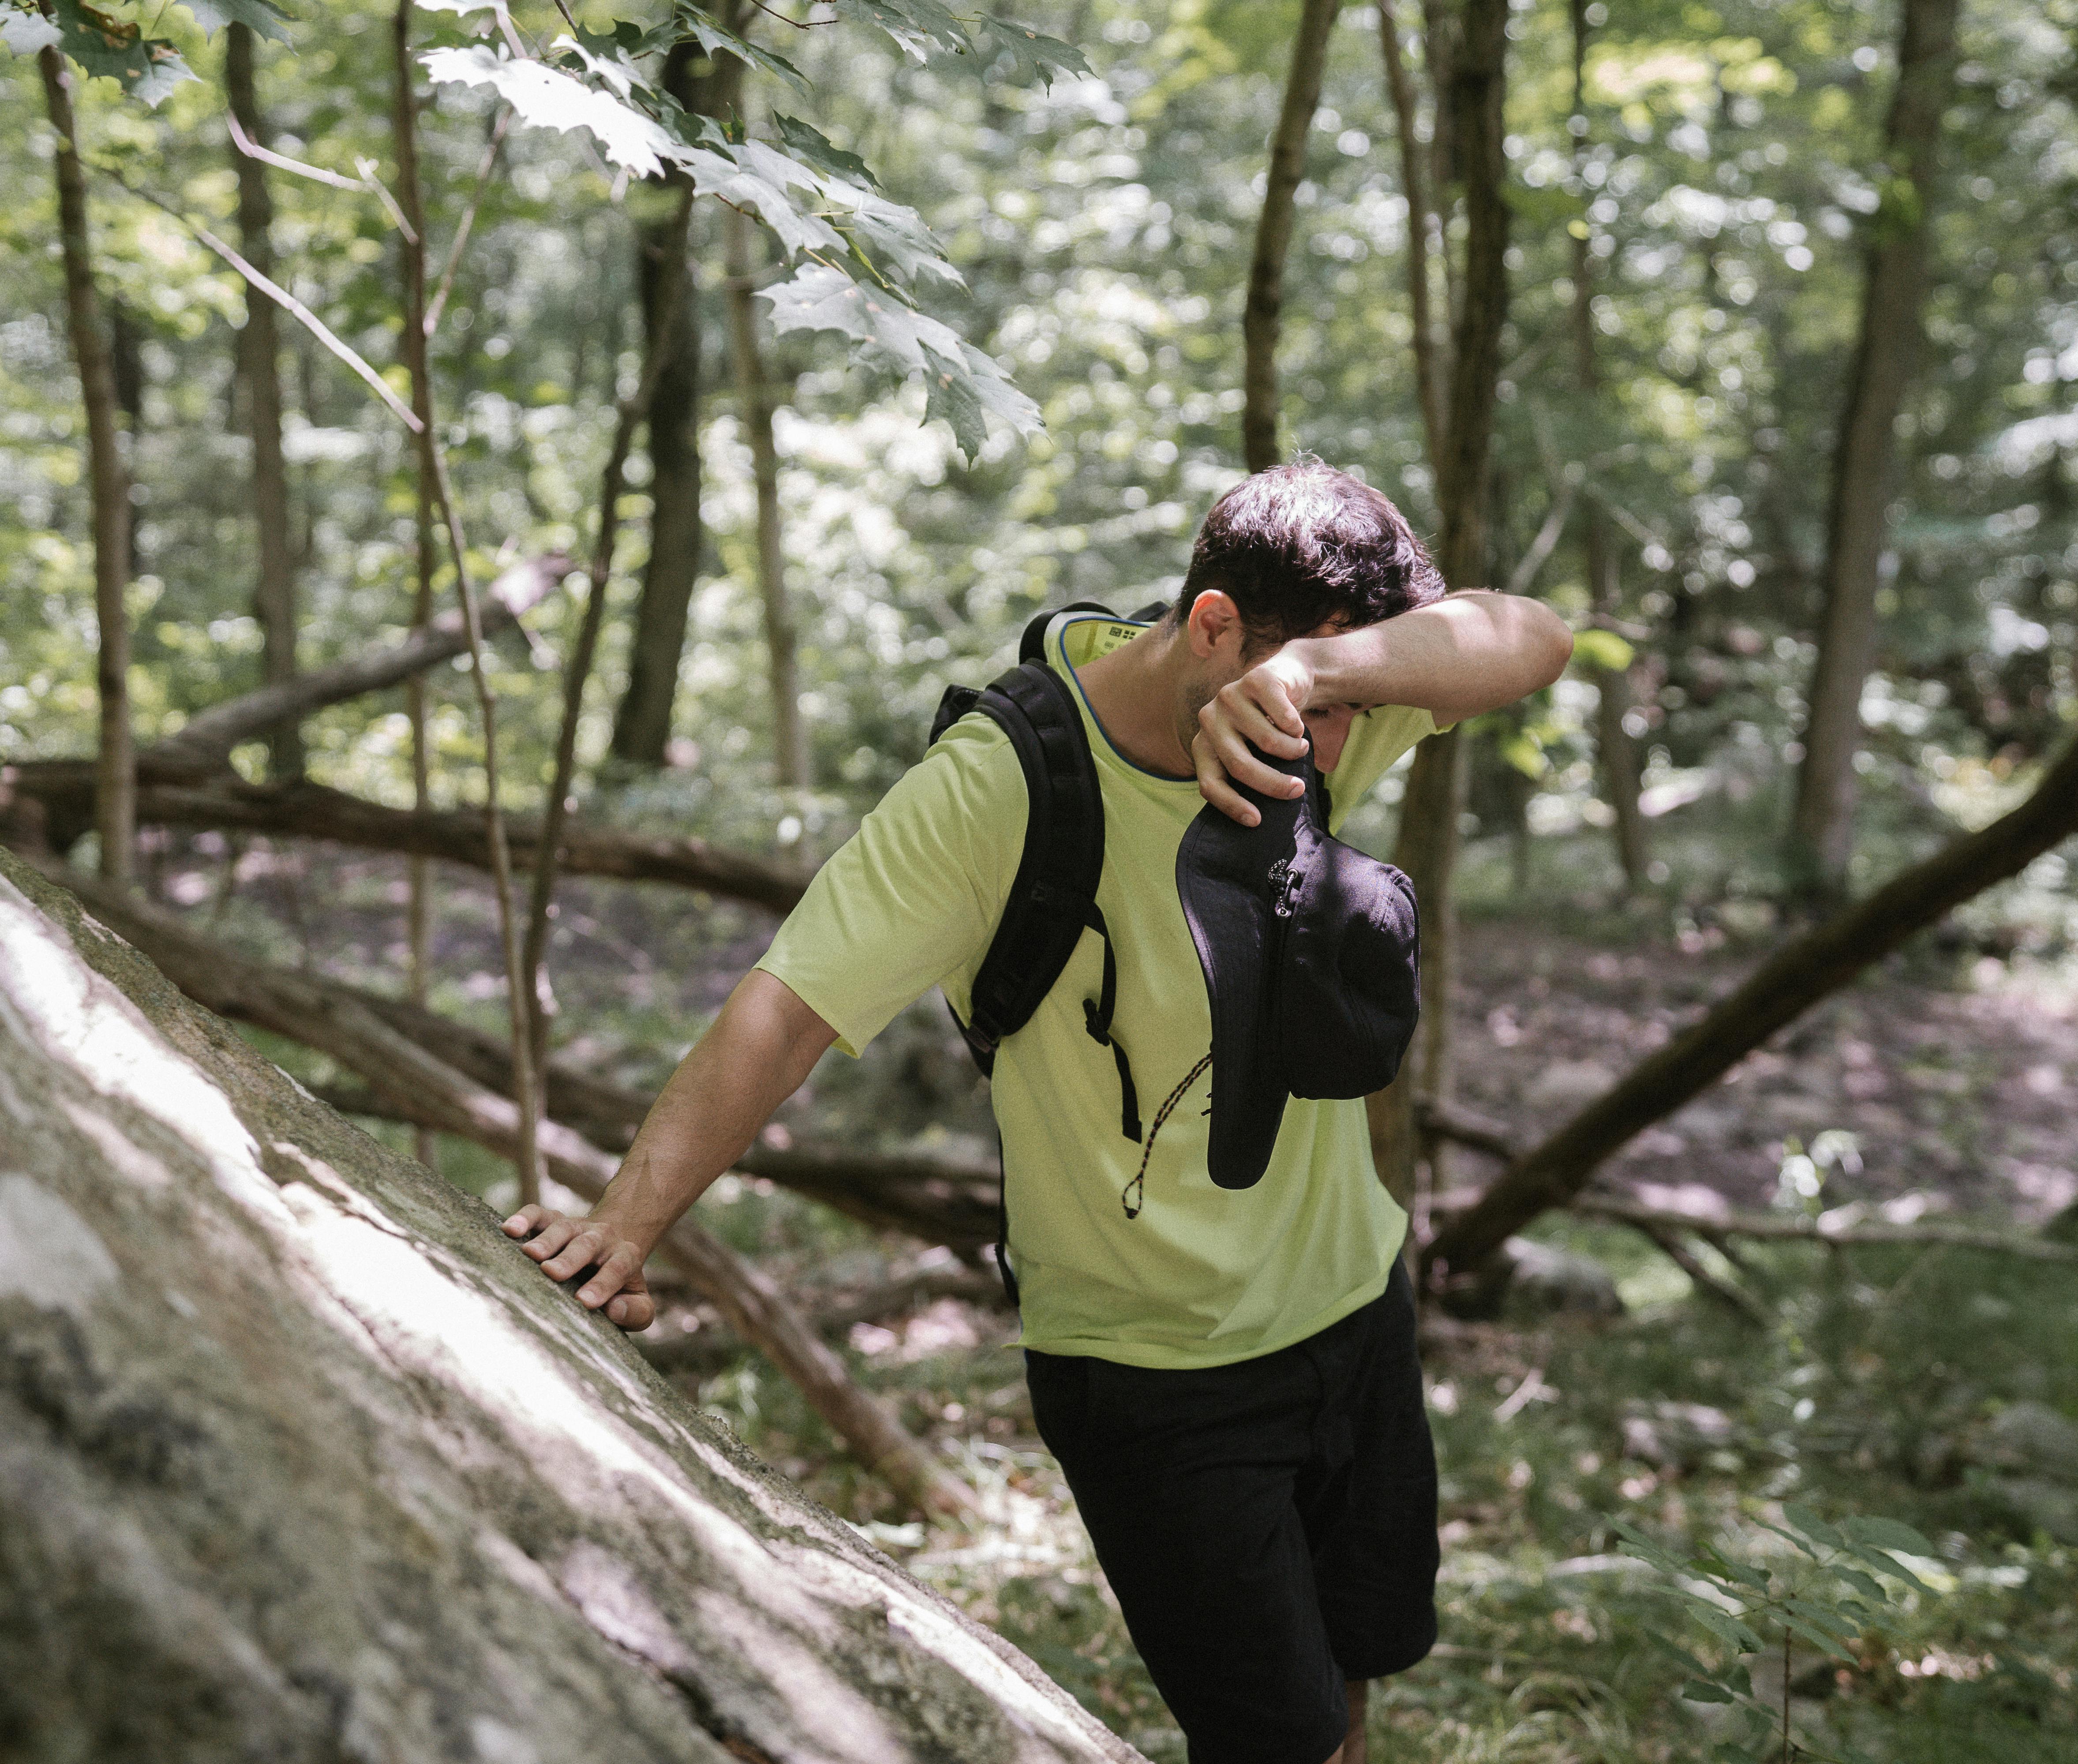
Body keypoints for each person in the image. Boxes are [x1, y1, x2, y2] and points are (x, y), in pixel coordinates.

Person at [503, 462, 1575, 1764]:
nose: (1339, 747)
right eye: (1311, 682)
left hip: (1356, 1306)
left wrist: (1321, 681)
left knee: (1349, 1683)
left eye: (1358, 697)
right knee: (1281, 1743)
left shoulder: (1318, 703)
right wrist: (623, 1227)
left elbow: (1533, 637)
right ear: (1213, 625)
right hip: (1157, 1373)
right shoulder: (999, 788)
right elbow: (787, 1009)